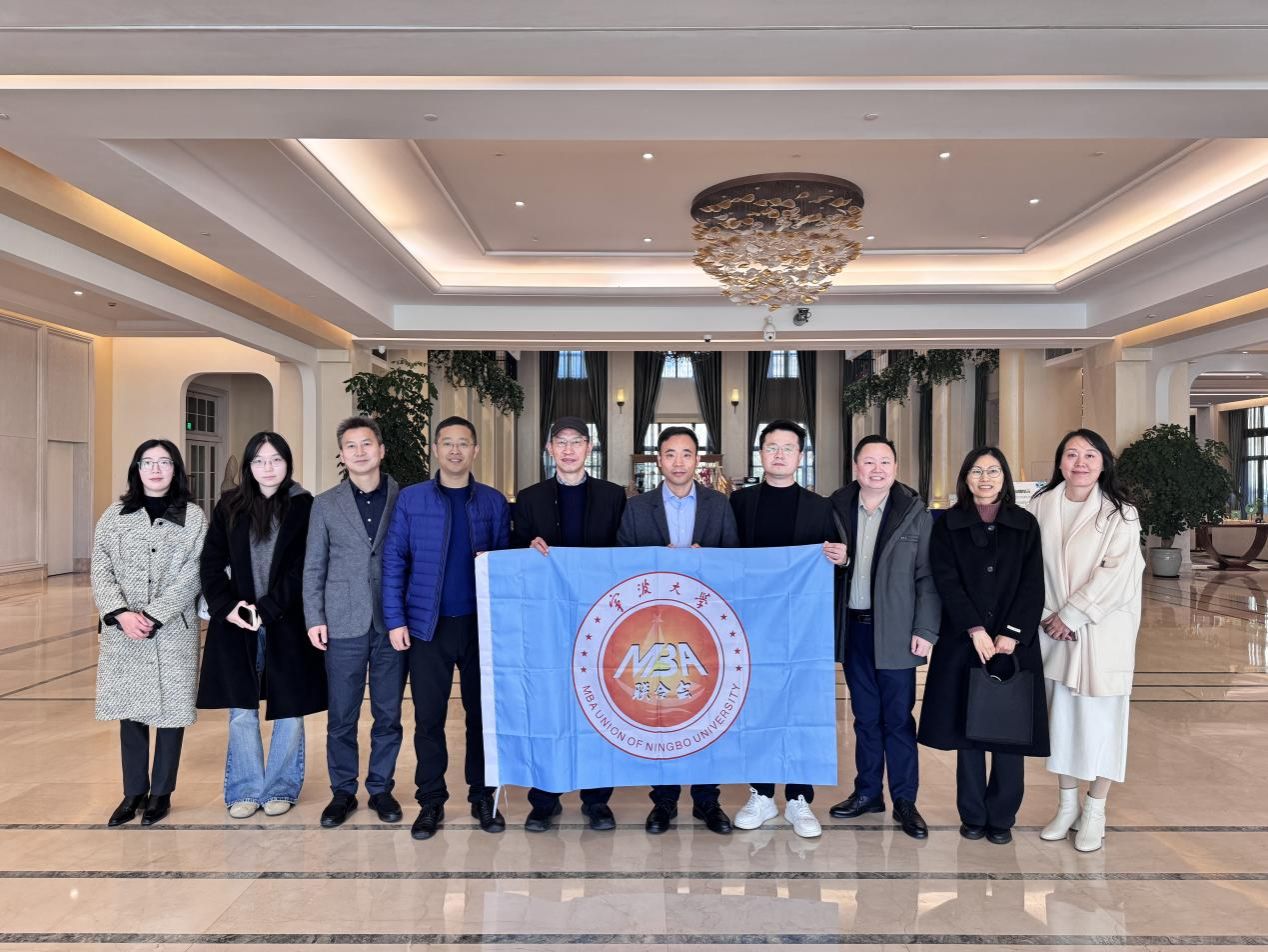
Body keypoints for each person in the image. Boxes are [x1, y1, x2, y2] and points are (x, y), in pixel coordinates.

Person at [382, 415, 511, 841]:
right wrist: (396, 620)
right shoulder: (412, 499)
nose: (456, 450)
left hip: (479, 628)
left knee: (481, 717)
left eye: (464, 443)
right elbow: (394, 560)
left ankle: (482, 795)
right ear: (435, 450)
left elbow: (503, 566)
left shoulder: (492, 502)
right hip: (427, 628)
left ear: (475, 451)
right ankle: (431, 800)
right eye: (448, 443)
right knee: (429, 719)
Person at [918, 447, 1048, 845]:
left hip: (1013, 644)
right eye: (977, 471)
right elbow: (945, 579)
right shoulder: (948, 523)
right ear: (966, 478)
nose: (985, 478)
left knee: (1009, 730)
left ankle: (1002, 816)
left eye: (993, 471)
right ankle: (973, 814)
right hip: (964, 641)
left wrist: (1011, 632)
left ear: (1004, 478)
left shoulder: (1025, 524)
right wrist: (974, 628)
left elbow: (1033, 583)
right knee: (968, 733)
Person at [617, 425, 739, 836]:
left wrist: (710, 561)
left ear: (698, 460)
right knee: (663, 714)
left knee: (706, 712)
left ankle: (708, 801)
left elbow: (736, 560)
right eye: (670, 454)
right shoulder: (638, 508)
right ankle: (664, 801)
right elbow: (620, 563)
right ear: (658, 461)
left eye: (686, 454)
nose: (679, 462)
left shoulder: (719, 505)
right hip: (657, 631)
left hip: (707, 629)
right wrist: (656, 560)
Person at [197, 432, 326, 819]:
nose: (267, 468)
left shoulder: (305, 506)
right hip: (237, 621)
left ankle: (281, 786)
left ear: (288, 463)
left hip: (286, 620)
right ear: (249, 466)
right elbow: (210, 562)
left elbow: (304, 566)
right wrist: (227, 607)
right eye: (259, 461)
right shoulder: (230, 505)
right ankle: (245, 789)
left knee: (289, 708)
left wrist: (268, 608)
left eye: (275, 460)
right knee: (241, 708)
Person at [729, 420, 847, 839]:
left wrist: (841, 557)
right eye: (772, 447)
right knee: (758, 707)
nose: (779, 454)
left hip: (802, 629)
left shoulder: (820, 507)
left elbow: (837, 563)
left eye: (788, 448)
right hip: (751, 628)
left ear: (800, 456)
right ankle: (761, 793)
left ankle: (799, 798)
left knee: (802, 707)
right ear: (761, 453)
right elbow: (723, 558)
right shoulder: (739, 503)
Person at [1028, 429, 1143, 853]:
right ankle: (1066, 806)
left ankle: (1096, 810)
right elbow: (1029, 566)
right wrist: (1051, 616)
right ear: (1060, 462)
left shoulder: (1121, 513)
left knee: (1104, 721)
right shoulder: (1040, 504)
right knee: (1061, 720)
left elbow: (1118, 574)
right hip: (1052, 629)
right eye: (1072, 454)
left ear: (1103, 462)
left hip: (1101, 630)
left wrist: (1072, 615)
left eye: (1090, 455)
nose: (1080, 463)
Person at [511, 415, 628, 833]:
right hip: (547, 623)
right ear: (549, 449)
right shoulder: (529, 498)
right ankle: (545, 799)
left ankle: (597, 801)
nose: (568, 449)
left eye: (576, 441)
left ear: (589, 448)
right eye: (560, 442)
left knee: (599, 709)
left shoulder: (613, 496)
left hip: (601, 622)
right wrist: (527, 548)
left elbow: (625, 552)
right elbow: (513, 555)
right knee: (547, 708)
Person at [828, 435, 940, 839]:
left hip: (896, 633)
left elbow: (928, 577)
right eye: (869, 462)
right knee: (865, 718)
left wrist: (925, 629)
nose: (877, 470)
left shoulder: (914, 512)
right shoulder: (837, 508)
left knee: (897, 720)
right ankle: (868, 793)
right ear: (855, 467)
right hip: (854, 630)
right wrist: (841, 563)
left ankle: (905, 801)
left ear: (895, 467)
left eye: (885, 462)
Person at [91, 439, 206, 827]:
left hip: (173, 630)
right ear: (136, 469)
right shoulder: (114, 516)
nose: (156, 469)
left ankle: (161, 794)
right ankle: (133, 793)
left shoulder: (193, 517)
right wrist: (121, 613)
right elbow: (101, 569)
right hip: (125, 632)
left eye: (164, 462)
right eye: (147, 462)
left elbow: (194, 573)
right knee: (131, 712)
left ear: (176, 470)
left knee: (172, 713)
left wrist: (155, 614)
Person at [303, 416, 405, 828]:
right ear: (342, 455)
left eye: (366, 444)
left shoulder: (405, 498)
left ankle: (380, 788)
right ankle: (343, 791)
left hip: (391, 622)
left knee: (388, 714)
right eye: (351, 446)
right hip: (342, 622)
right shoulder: (325, 504)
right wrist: (314, 617)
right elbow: (314, 566)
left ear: (381, 450)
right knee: (341, 716)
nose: (360, 452)